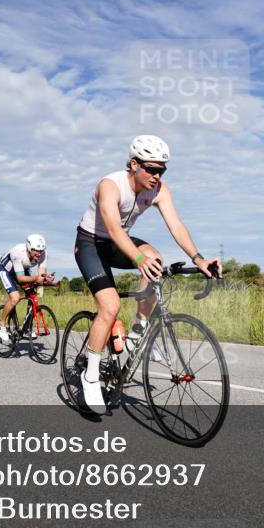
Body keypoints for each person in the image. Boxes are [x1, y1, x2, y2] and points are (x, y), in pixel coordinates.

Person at [74, 135, 219, 413]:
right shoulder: (110, 185)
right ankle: (90, 376)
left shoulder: (159, 190)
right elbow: (114, 229)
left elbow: (175, 225)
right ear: (134, 164)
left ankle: (137, 332)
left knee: (156, 258)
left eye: (162, 170)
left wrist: (198, 259)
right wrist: (138, 258)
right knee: (110, 305)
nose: (157, 175)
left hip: (119, 244)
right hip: (91, 244)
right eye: (152, 169)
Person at [0, 234, 53, 345]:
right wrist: (37, 278)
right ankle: (1, 324)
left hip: (22, 269)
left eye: (41, 250)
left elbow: (41, 275)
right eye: (36, 250)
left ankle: (26, 328)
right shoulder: (18, 252)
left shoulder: (43, 254)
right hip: (7, 271)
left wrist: (46, 278)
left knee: (32, 294)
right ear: (28, 248)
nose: (39, 253)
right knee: (15, 297)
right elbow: (20, 278)